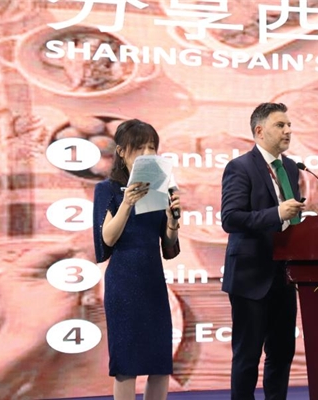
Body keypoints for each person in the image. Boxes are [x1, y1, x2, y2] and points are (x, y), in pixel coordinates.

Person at [221, 102, 306, 400]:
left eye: (289, 125)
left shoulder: (291, 167)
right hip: (251, 277)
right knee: (247, 357)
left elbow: (291, 220)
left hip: (284, 276)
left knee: (282, 353)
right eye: (280, 125)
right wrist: (276, 213)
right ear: (259, 131)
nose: (288, 130)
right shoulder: (240, 167)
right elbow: (231, 218)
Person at [92, 119, 181, 400]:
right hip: (123, 283)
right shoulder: (106, 190)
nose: (147, 153)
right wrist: (127, 203)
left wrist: (173, 222)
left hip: (153, 281)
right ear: (121, 151)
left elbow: (168, 244)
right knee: (126, 364)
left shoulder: (162, 188)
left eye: (151, 147)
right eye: (139, 147)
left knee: (160, 363)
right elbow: (107, 238)